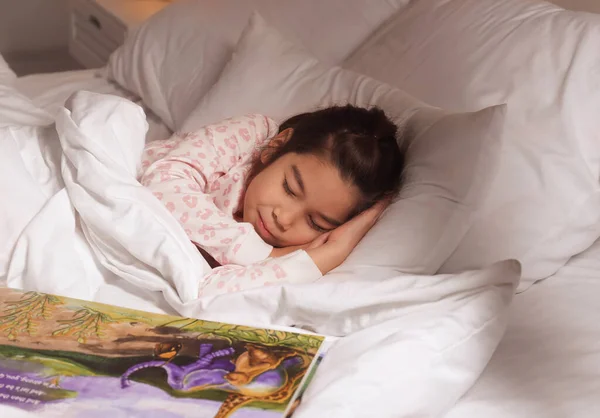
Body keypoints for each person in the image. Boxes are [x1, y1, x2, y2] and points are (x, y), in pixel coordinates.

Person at [139, 105, 404, 297]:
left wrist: (326, 254)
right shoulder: (252, 135)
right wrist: (264, 254)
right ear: (277, 146)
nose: (284, 218)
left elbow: (210, 293)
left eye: (315, 222)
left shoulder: (295, 251)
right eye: (289, 188)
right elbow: (163, 183)